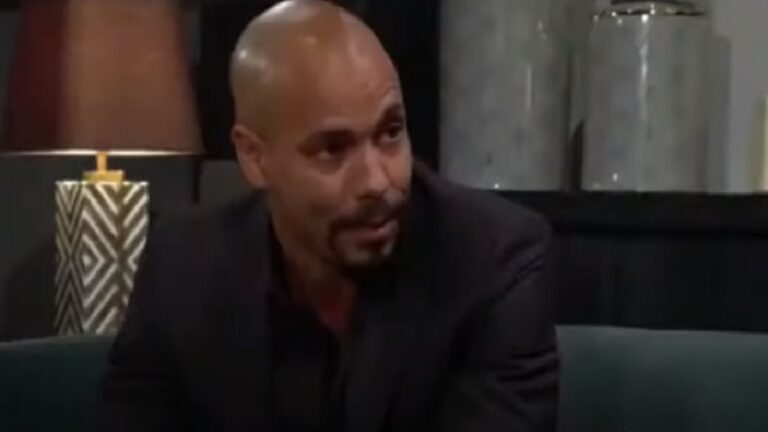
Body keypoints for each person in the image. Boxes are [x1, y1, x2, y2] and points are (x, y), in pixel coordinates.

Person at [97, 1, 558, 431]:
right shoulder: (181, 269)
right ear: (255, 157)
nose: (377, 180)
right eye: (333, 150)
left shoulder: (492, 260)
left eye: (390, 132)